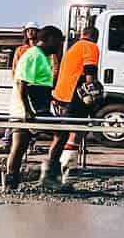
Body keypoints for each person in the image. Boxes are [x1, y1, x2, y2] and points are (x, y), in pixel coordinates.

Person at [4, 24, 64, 191]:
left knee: (19, 146)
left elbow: (38, 84)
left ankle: (11, 182)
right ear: (50, 39)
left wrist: (53, 99)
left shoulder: (42, 57)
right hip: (31, 110)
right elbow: (22, 83)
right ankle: (50, 175)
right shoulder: (34, 55)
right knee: (61, 133)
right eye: (58, 42)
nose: (59, 46)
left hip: (30, 107)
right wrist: (29, 111)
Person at [42, 26, 102, 190]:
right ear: (95, 37)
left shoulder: (73, 48)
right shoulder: (91, 46)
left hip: (63, 94)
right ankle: (66, 170)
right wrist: (93, 93)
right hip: (75, 96)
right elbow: (90, 71)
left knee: (70, 132)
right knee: (74, 132)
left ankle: (60, 168)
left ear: (82, 34)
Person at [0, 21, 42, 154]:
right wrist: (17, 84)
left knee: (32, 117)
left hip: (36, 87)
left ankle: (29, 144)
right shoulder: (21, 50)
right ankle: (7, 142)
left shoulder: (41, 49)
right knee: (16, 115)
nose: (30, 32)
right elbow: (15, 68)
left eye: (33, 30)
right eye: (28, 30)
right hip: (22, 86)